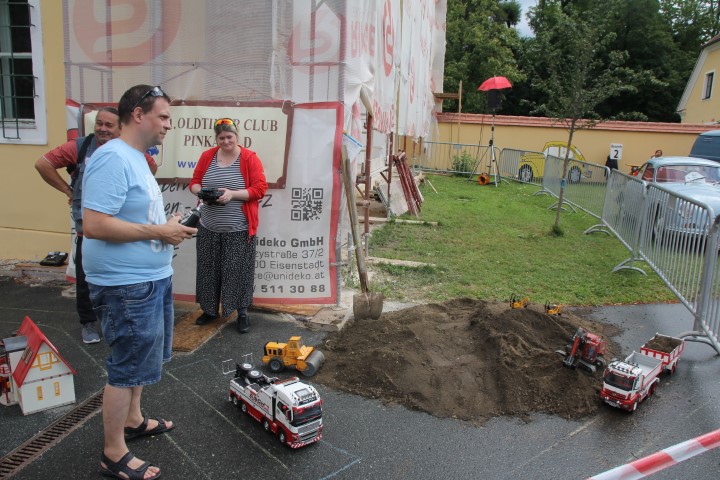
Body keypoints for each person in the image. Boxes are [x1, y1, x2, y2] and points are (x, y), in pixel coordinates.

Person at [82, 85, 197, 480]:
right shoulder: (112, 158)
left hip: (149, 277)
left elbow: (135, 218)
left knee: (143, 361)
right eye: (163, 116)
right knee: (128, 367)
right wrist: (159, 231)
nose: (168, 123)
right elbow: (95, 224)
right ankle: (113, 453)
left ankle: (132, 420)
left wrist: (169, 227)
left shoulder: (136, 158)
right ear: (137, 114)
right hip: (126, 285)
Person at [35, 107, 158, 344]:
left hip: (120, 229)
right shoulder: (79, 146)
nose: (102, 128)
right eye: (99, 123)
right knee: (86, 279)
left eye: (108, 125)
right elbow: (43, 164)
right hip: (88, 229)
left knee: (121, 279)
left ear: (120, 128)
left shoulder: (132, 149)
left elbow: (150, 168)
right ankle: (88, 323)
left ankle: (118, 320)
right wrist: (68, 190)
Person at [189, 117, 267, 332]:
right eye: (221, 138)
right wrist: (202, 194)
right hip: (208, 226)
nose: (225, 141)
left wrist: (232, 194)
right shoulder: (207, 156)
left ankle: (241, 313)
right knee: (208, 270)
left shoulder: (249, 158)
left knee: (238, 271)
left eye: (229, 137)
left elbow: (260, 189)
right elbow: (194, 183)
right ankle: (209, 310)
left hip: (239, 228)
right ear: (216, 139)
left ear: (236, 136)